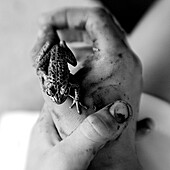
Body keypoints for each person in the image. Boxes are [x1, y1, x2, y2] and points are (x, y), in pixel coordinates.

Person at [26, 7, 142, 170]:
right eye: (52, 91)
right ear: (50, 86)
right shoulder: (51, 82)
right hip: (54, 62)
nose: (59, 98)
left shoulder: (67, 85)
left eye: (61, 91)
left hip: (59, 60)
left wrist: (75, 100)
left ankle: (62, 46)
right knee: (40, 64)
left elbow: (74, 87)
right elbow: (63, 84)